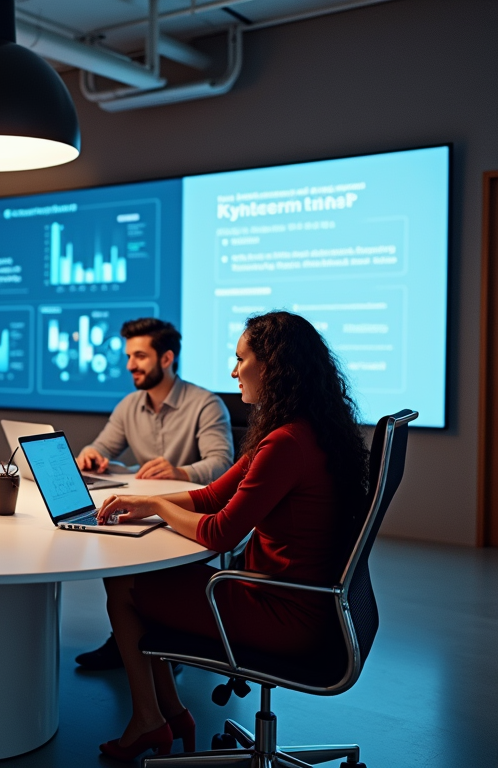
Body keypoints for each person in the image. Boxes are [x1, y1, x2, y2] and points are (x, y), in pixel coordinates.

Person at [93, 311, 369, 760]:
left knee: (122, 582)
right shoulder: (304, 429)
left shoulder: (286, 444)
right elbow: (213, 495)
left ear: (273, 366)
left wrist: (160, 505)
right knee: (136, 582)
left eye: (241, 359)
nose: (233, 370)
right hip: (305, 602)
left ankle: (152, 720)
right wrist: (145, 503)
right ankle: (169, 713)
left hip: (281, 613)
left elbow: (221, 534)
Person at [74, 318, 234, 670]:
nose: (130, 364)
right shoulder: (130, 405)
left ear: (166, 358)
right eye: (129, 356)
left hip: (186, 517)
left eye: (140, 356)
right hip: (146, 510)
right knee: (112, 546)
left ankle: (164, 641)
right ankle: (127, 640)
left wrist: (181, 472)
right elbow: (103, 447)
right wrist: (92, 454)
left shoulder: (205, 404)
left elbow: (222, 464)